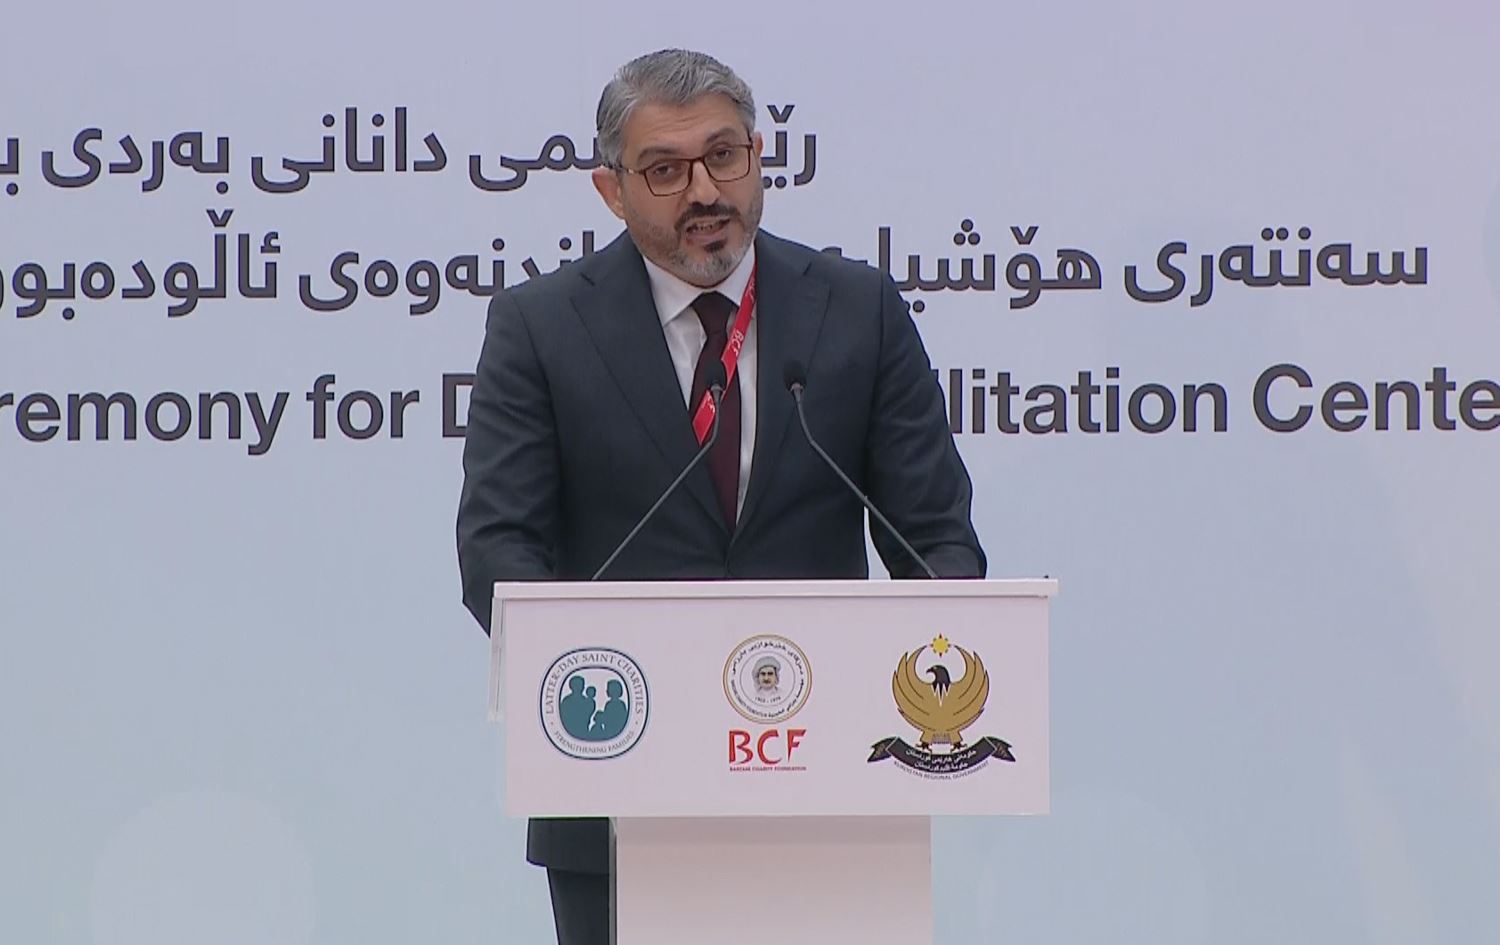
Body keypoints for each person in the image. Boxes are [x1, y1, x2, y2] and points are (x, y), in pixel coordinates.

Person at [456, 47, 985, 945]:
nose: (704, 191)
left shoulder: (857, 309)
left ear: (759, 158)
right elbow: (498, 552)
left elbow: (934, 537)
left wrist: (937, 661)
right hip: (616, 796)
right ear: (611, 190)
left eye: (724, 156)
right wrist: (590, 678)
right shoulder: (541, 327)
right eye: (665, 170)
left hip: (833, 791)